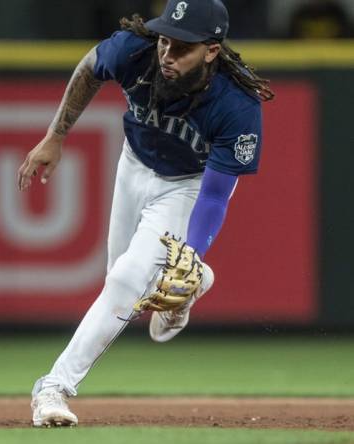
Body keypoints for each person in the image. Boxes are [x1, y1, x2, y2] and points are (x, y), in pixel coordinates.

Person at [18, 0, 275, 427]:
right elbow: (88, 68)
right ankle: (187, 290)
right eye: (165, 41)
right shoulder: (136, 50)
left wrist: (191, 254)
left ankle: (53, 388)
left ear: (211, 50)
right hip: (133, 164)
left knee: (124, 281)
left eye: (183, 47)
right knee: (118, 280)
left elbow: (214, 195)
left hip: (186, 185)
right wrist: (54, 136)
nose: (167, 54)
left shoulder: (237, 104)